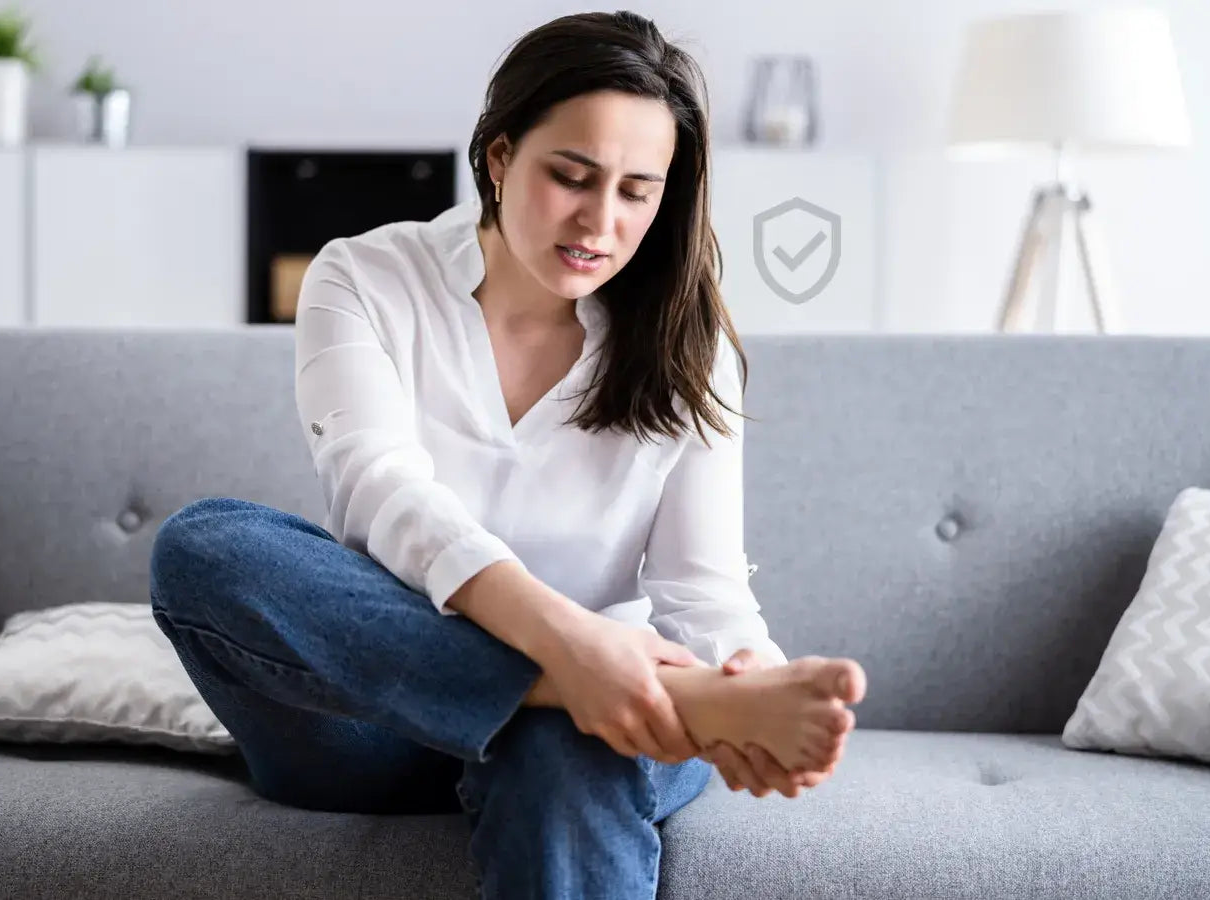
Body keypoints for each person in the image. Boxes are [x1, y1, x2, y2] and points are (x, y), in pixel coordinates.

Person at [148, 10, 867, 899]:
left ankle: (597, 699)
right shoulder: (365, 279)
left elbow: (702, 588)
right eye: (572, 176)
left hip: (609, 718)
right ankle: (591, 691)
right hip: (378, 724)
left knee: (569, 737)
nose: (600, 221)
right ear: (497, 157)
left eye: (638, 191)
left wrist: (751, 679)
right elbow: (382, 491)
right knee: (206, 546)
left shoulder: (687, 342)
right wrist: (573, 653)